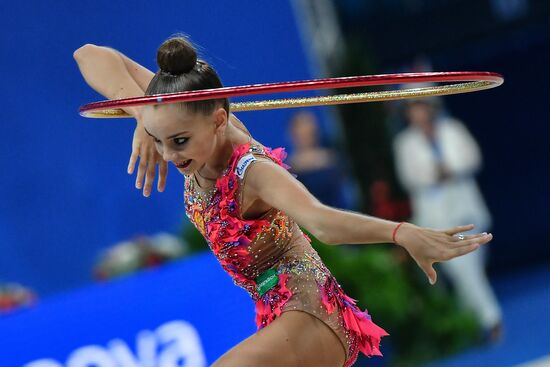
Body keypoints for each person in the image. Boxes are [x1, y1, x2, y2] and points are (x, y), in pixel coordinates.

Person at [74, 36, 493, 367]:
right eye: (162, 142)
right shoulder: (185, 118)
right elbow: (90, 54)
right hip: (274, 313)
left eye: (179, 141)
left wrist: (402, 233)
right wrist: (141, 117)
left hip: (311, 311)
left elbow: (323, 223)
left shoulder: (250, 170)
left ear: (220, 120)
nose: (170, 155)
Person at [393, 97, 503, 342]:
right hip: (436, 218)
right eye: (413, 108)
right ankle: (491, 319)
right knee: (462, 263)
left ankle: (471, 321)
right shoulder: (404, 143)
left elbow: (473, 157)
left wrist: (450, 167)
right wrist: (434, 172)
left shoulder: (452, 128)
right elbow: (408, 177)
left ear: (430, 108)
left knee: (470, 264)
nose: (418, 112)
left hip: (468, 210)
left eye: (421, 106)